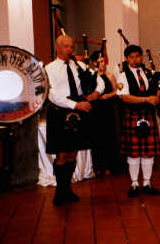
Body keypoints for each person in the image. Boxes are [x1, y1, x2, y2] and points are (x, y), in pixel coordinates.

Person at [45, 35, 104, 206]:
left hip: (79, 112)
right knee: (62, 153)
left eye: (71, 46)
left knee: (73, 152)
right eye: (66, 46)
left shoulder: (79, 66)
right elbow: (52, 95)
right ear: (57, 48)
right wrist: (76, 105)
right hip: (60, 112)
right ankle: (60, 191)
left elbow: (99, 79)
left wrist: (96, 93)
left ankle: (68, 189)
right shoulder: (49, 69)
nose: (70, 50)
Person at [116, 45, 160, 198]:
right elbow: (124, 97)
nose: (135, 60)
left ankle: (147, 183)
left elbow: (155, 92)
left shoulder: (148, 73)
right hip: (132, 115)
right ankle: (134, 183)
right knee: (134, 153)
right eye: (132, 57)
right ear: (127, 59)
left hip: (148, 115)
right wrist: (146, 99)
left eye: (138, 56)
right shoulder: (123, 75)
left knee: (148, 153)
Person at [89, 51, 120, 176]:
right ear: (95, 62)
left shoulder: (110, 75)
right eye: (101, 61)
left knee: (109, 137)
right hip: (96, 110)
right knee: (97, 137)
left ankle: (109, 166)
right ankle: (98, 166)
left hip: (107, 109)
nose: (103, 63)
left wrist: (108, 96)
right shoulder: (91, 76)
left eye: (104, 60)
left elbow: (117, 91)